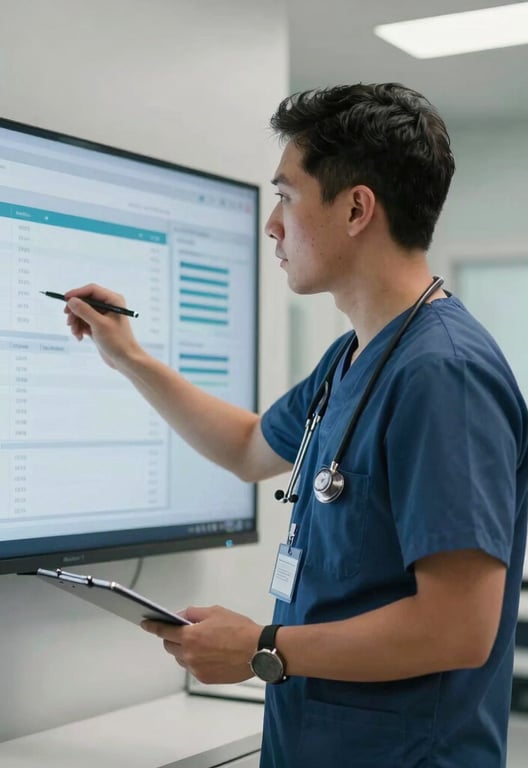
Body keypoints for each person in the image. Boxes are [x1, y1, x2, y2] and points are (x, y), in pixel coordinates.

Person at [62, 83, 528, 767]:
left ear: (356, 209)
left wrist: (262, 647)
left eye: (286, 196)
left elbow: (458, 628)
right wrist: (129, 358)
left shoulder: (443, 375)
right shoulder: (354, 356)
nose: (272, 226)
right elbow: (249, 446)